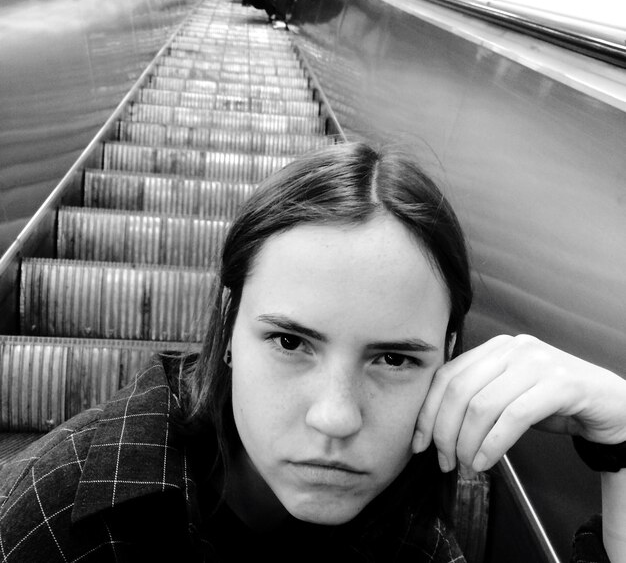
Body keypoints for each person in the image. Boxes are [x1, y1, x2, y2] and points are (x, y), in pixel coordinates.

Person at [0, 142, 625, 562]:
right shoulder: (54, 516)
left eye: (394, 359)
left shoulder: (413, 538)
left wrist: (621, 440)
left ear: (449, 356)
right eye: (291, 342)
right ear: (228, 327)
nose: (336, 418)